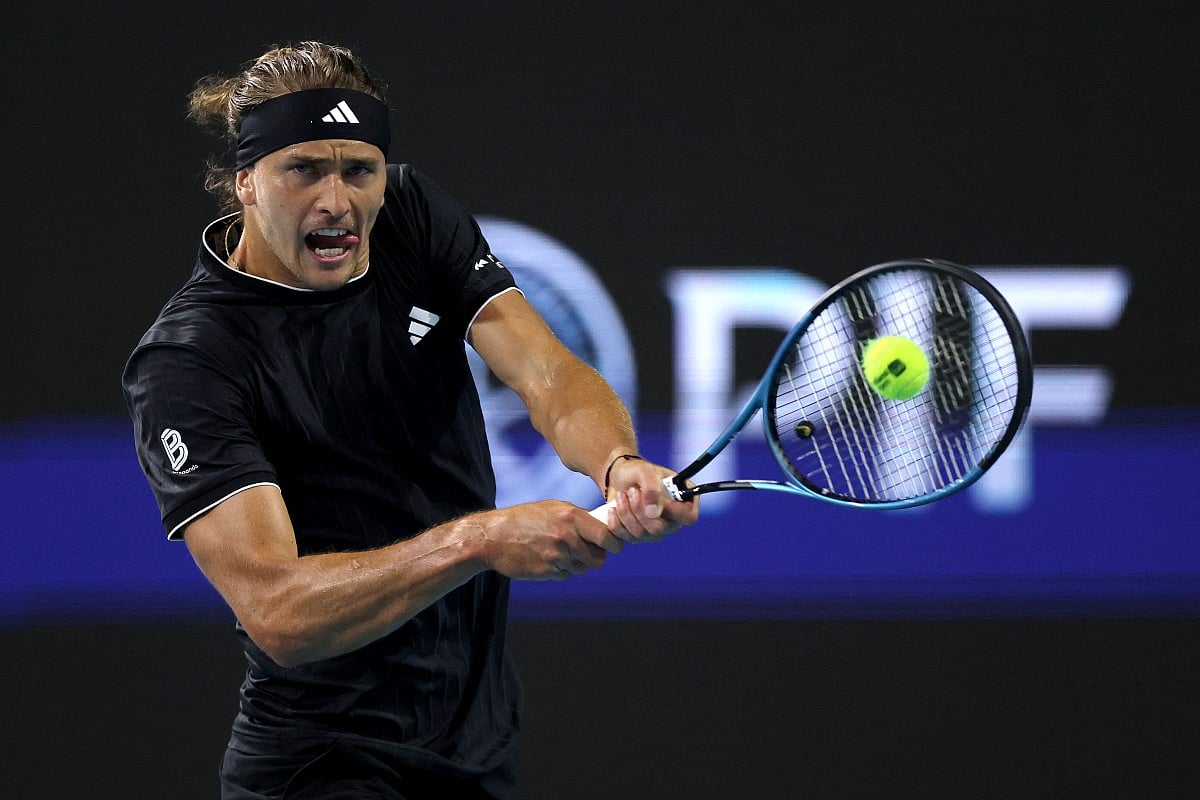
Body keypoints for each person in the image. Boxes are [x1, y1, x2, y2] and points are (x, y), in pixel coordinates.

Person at [122, 41, 697, 799]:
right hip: (325, 764)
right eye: (304, 171)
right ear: (245, 184)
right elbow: (279, 611)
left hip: (475, 733)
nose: (339, 201)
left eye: (359, 171)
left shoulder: (413, 215)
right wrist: (480, 539)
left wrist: (618, 466)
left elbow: (547, 372)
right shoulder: (190, 360)